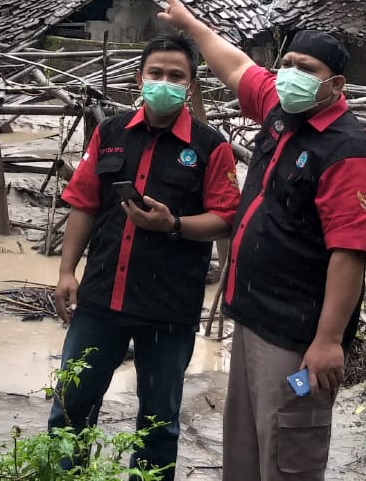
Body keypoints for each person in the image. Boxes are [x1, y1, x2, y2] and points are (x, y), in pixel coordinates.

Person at [158, 0, 366, 481]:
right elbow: (237, 67)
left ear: (336, 84)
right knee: (245, 449)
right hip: (252, 318)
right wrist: (189, 25)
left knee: (288, 453)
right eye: (287, 64)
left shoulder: (350, 153)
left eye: (307, 69)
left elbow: (349, 253)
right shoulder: (284, 113)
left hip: (297, 336)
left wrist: (328, 340)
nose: (291, 75)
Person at [50, 34, 241, 480]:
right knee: (71, 408)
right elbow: (83, 203)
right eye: (155, 73)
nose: (164, 83)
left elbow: (226, 219)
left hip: (168, 308)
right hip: (100, 298)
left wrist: (173, 224)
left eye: (176, 76)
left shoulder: (211, 147)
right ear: (139, 78)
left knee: (158, 424)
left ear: (191, 85)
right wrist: (66, 271)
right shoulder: (110, 133)